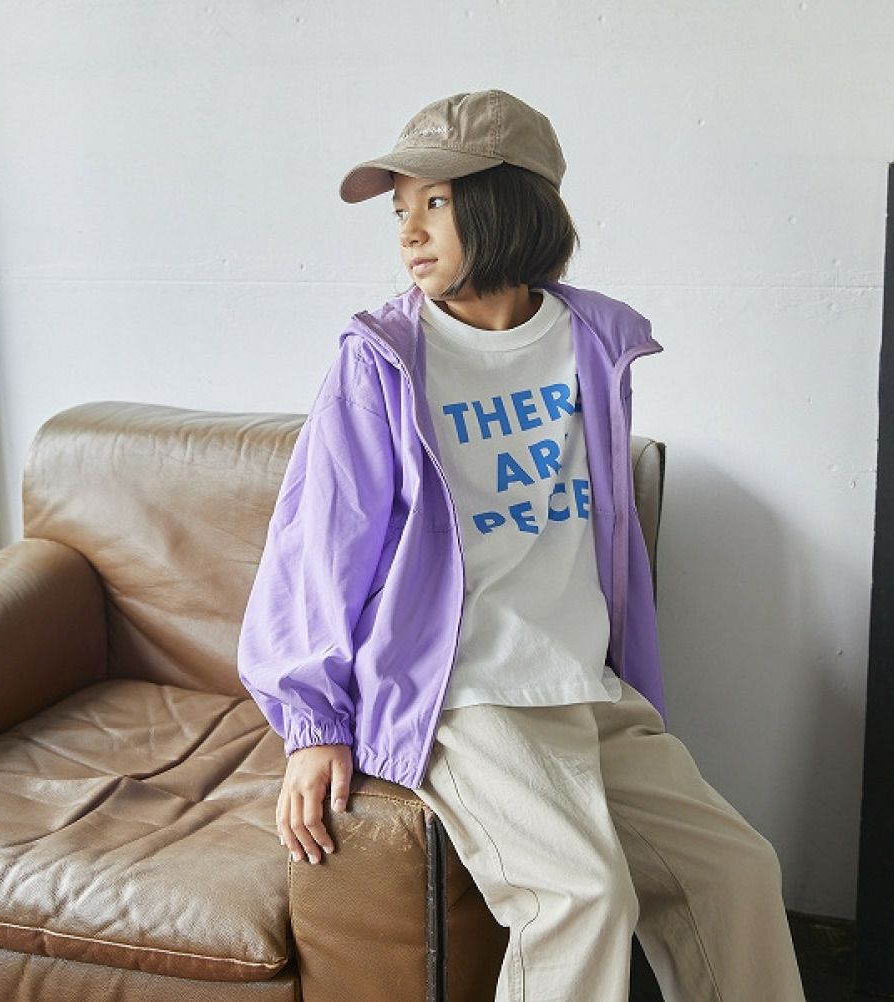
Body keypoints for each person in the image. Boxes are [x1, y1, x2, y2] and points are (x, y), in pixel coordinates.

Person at [237, 88, 806, 1002]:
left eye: (435, 202)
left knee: (736, 871)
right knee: (580, 898)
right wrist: (313, 724)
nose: (409, 232)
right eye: (400, 209)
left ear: (509, 202)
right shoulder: (381, 359)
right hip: (461, 692)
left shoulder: (594, 345)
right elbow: (319, 545)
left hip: (581, 679)